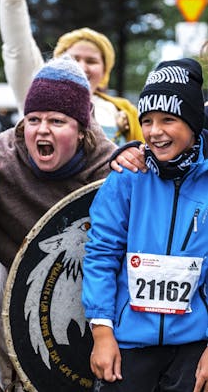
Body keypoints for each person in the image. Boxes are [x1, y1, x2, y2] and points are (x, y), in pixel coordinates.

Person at [0, 55, 116, 391]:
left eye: (57, 121)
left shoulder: (109, 169)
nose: (42, 129)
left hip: (88, 296)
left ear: (82, 130)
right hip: (12, 284)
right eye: (33, 119)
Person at [82, 58, 208, 392]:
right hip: (130, 338)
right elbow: (101, 254)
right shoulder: (127, 178)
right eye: (148, 120)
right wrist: (102, 331)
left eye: (169, 119)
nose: (155, 131)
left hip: (196, 341)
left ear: (194, 123)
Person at [0, 0, 144, 146]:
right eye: (74, 59)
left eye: (92, 61)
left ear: (105, 71)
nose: (82, 67)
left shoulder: (124, 113)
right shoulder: (38, 94)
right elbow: (18, 48)